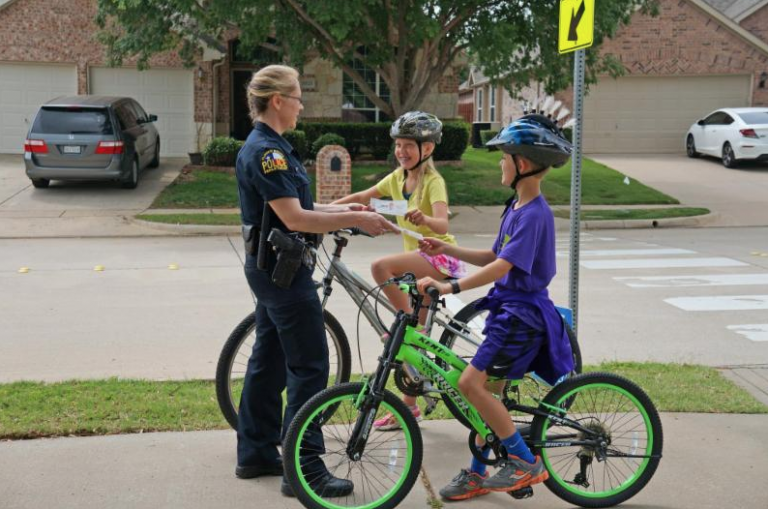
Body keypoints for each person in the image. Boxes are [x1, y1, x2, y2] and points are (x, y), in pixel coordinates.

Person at [234, 64, 398, 498]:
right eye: (298, 97)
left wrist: (355, 214)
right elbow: (295, 218)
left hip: (271, 270)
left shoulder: (272, 147)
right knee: (309, 367)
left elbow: (303, 206)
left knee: (267, 361)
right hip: (283, 274)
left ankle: (255, 453)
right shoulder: (268, 152)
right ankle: (302, 468)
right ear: (277, 101)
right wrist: (353, 217)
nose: (302, 105)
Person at [415, 109, 575, 501]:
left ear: (521, 164)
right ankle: (478, 472)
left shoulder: (535, 214)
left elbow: (504, 266)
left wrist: (449, 286)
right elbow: (493, 255)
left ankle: (523, 461)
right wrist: (445, 248)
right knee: (487, 398)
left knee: (471, 384)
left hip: (521, 316)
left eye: (504, 157)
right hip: (510, 311)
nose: (501, 163)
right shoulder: (516, 207)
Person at [331, 111, 466, 430]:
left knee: (381, 267)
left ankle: (403, 322)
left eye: (408, 145)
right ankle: (409, 409)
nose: (401, 151)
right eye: (398, 145)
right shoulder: (397, 180)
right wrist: (325, 211)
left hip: (441, 258)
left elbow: (443, 223)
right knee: (413, 344)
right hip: (419, 265)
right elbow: (365, 199)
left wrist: (426, 220)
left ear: (428, 149)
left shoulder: (434, 182)